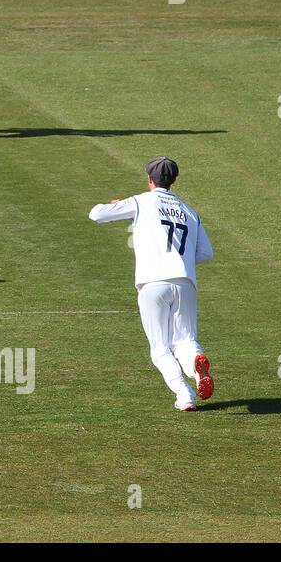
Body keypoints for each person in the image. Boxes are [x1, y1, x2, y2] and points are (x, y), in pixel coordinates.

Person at [88, 157, 216, 412]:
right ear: (173, 181)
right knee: (186, 340)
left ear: (149, 179)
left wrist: (119, 207)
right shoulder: (191, 212)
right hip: (185, 281)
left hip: (152, 283)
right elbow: (206, 253)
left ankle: (184, 394)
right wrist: (181, 260)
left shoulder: (141, 201)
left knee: (159, 348)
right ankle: (196, 367)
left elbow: (96, 214)